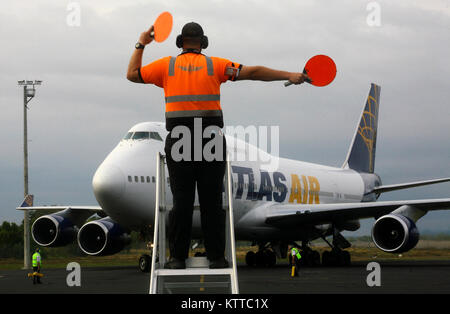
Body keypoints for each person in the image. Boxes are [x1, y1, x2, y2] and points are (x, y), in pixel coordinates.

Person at [127, 21, 309, 269]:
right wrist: (289, 75)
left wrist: (141, 44)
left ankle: (177, 258)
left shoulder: (165, 66)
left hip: (179, 137)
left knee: (181, 201)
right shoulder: (216, 65)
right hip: (210, 137)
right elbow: (254, 72)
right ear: (203, 43)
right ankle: (216, 258)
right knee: (212, 201)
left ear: (181, 43)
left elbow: (132, 74)